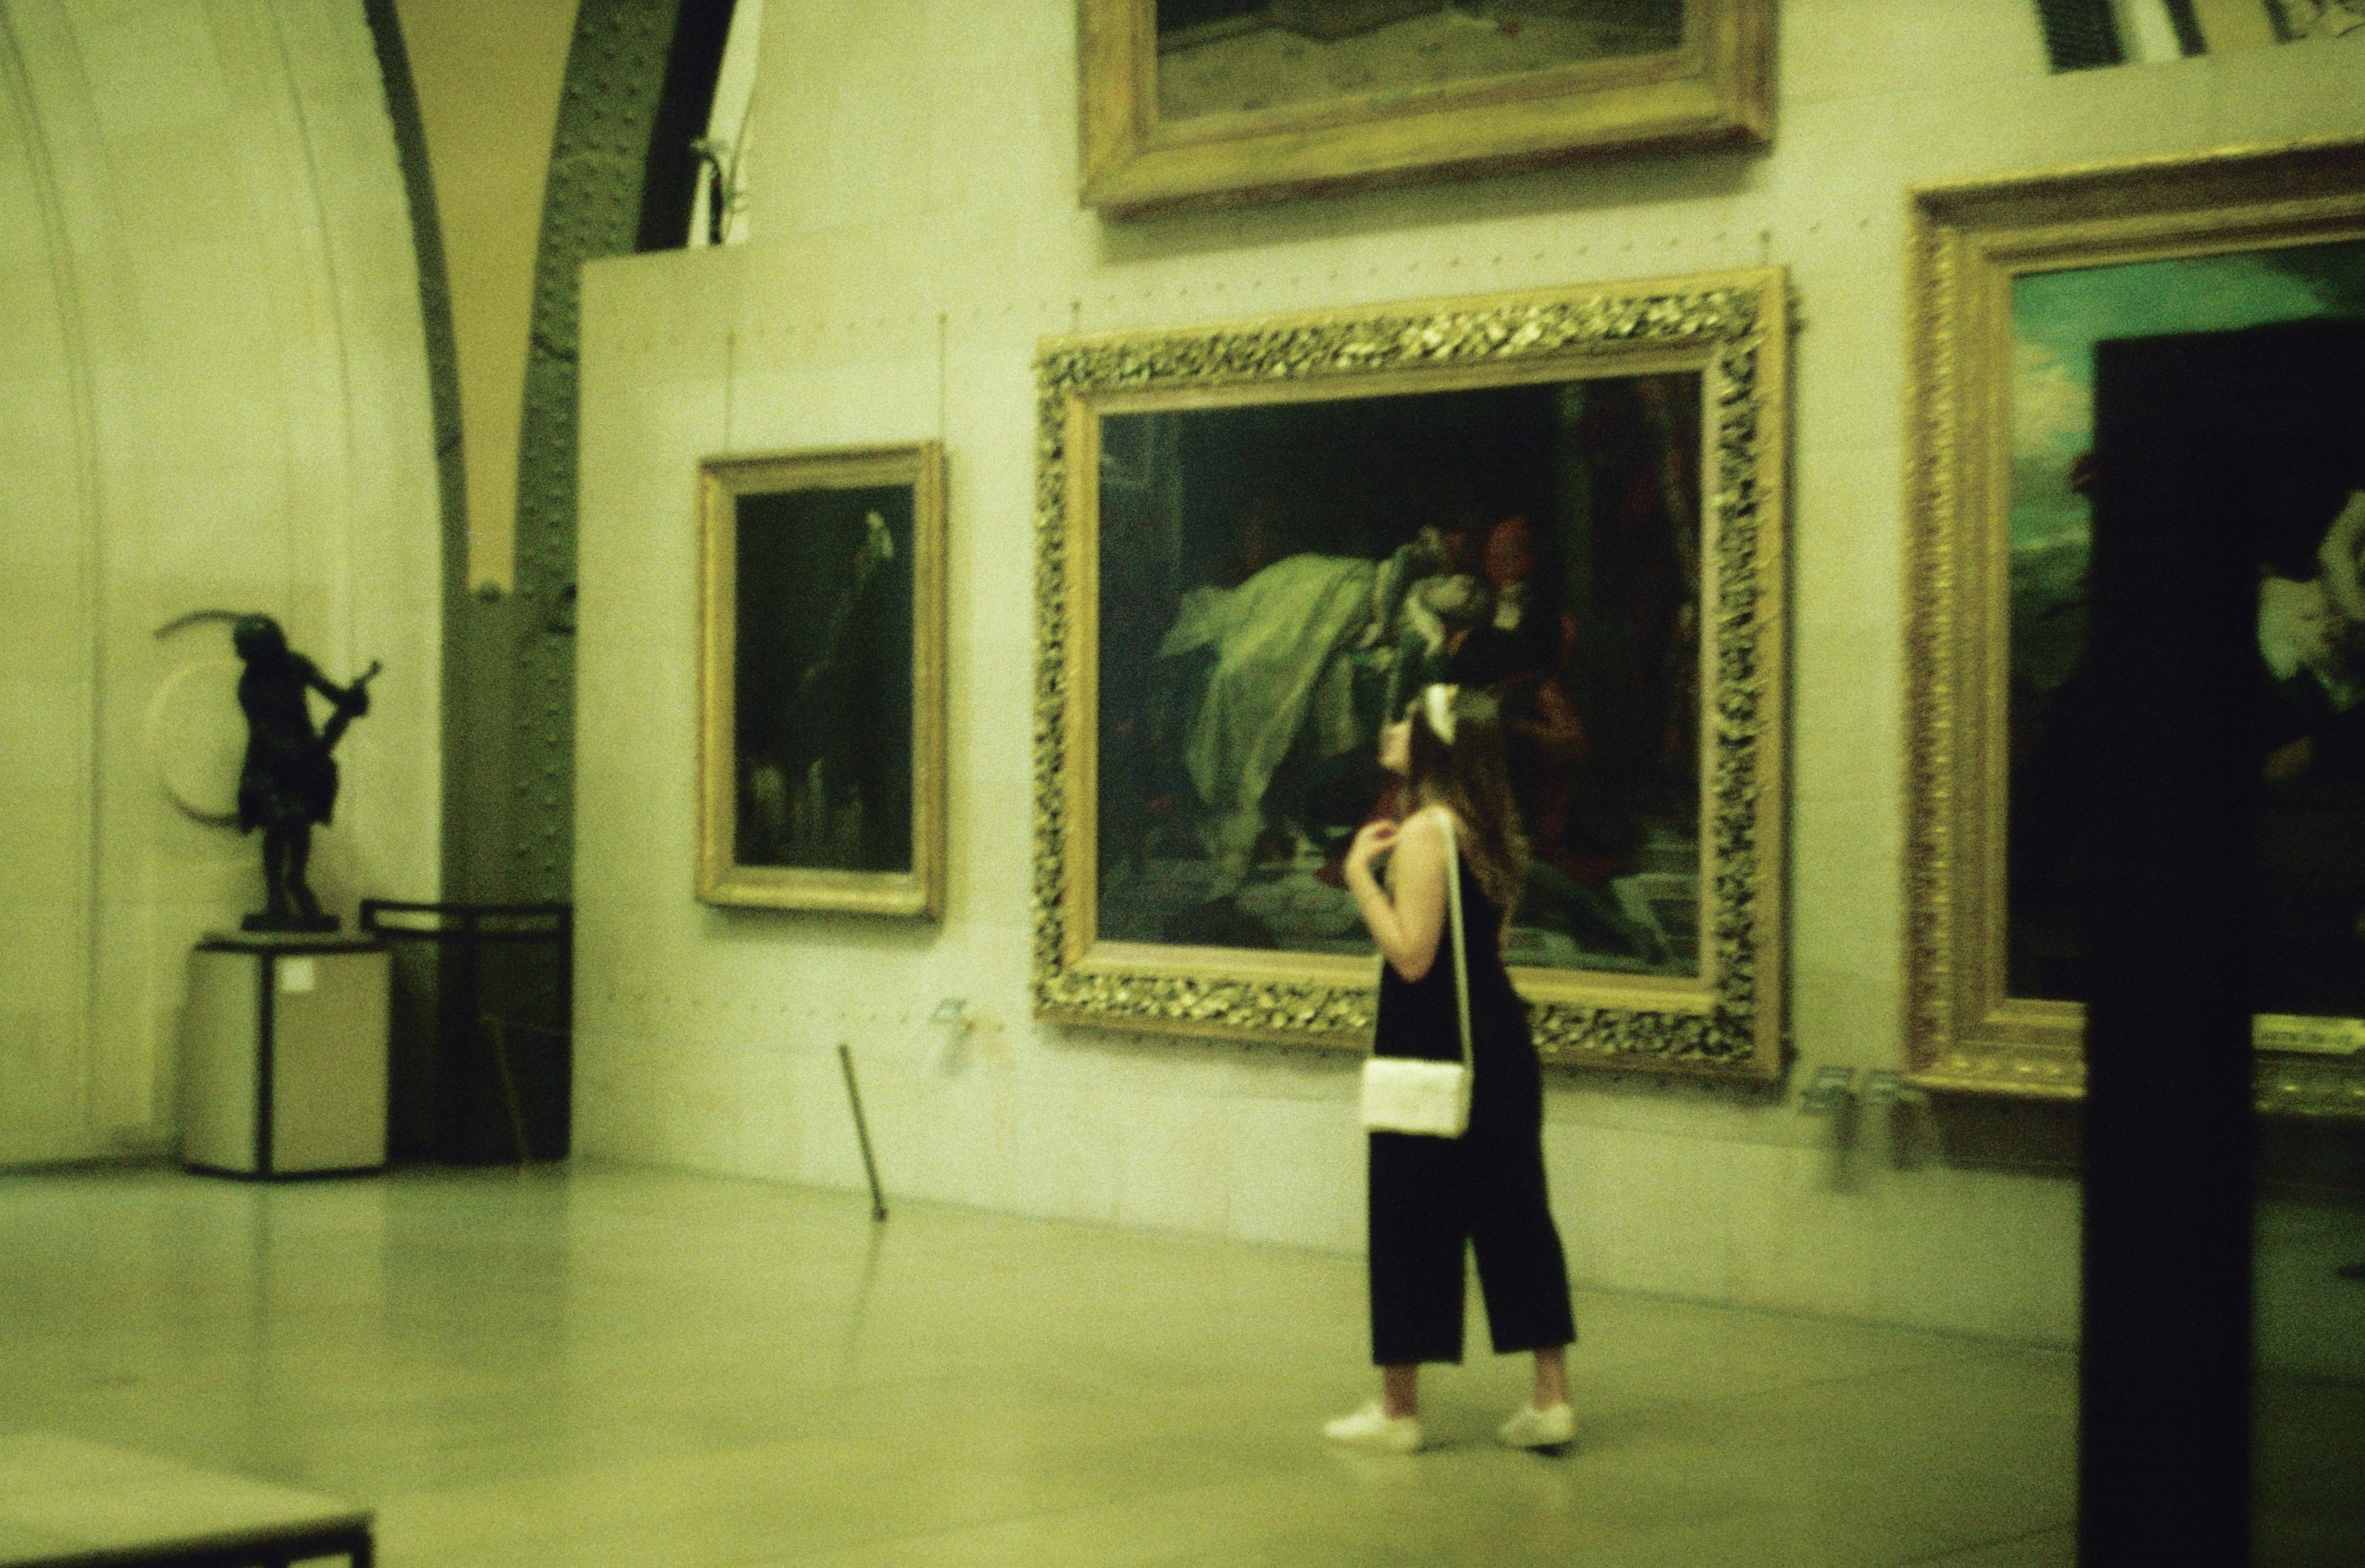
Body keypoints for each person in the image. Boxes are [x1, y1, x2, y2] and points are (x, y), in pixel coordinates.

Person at [1325, 684, 1578, 1454]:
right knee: (1517, 1218)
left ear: (1433, 741)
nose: (1390, 725)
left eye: (1404, 716)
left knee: (1408, 1218)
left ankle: (1398, 1409)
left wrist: (1359, 876)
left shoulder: (1425, 831)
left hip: (1432, 1046)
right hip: (1499, 1042)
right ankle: (1550, 1397)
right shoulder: (1492, 830)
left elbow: (1411, 954)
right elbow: (1488, 950)